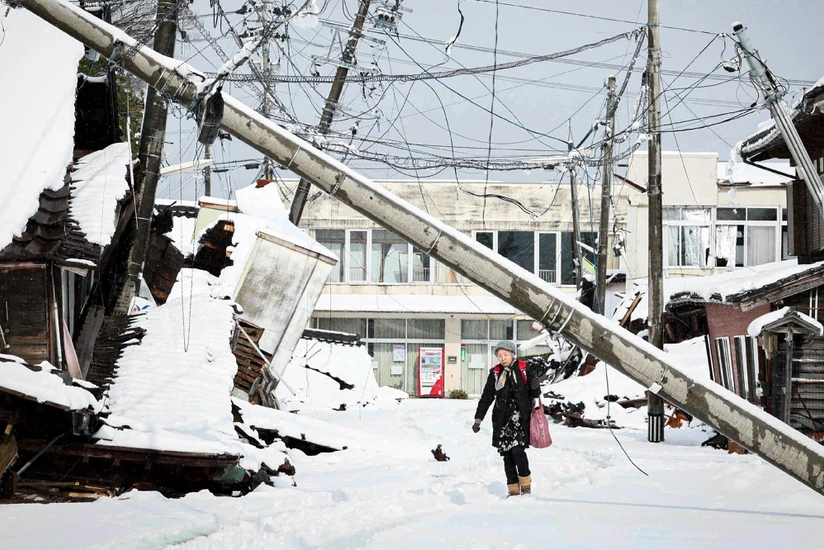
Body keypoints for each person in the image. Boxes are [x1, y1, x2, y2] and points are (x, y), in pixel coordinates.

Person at [472, 340, 541, 497]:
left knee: (518, 451)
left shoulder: (524, 368)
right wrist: (478, 419)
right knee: (507, 455)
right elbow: (487, 397)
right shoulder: (496, 373)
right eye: (499, 355)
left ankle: (526, 487)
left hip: (520, 419)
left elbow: (535, 394)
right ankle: (513, 490)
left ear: (512, 354)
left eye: (505, 354)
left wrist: (536, 386)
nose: (502, 358)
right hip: (502, 421)